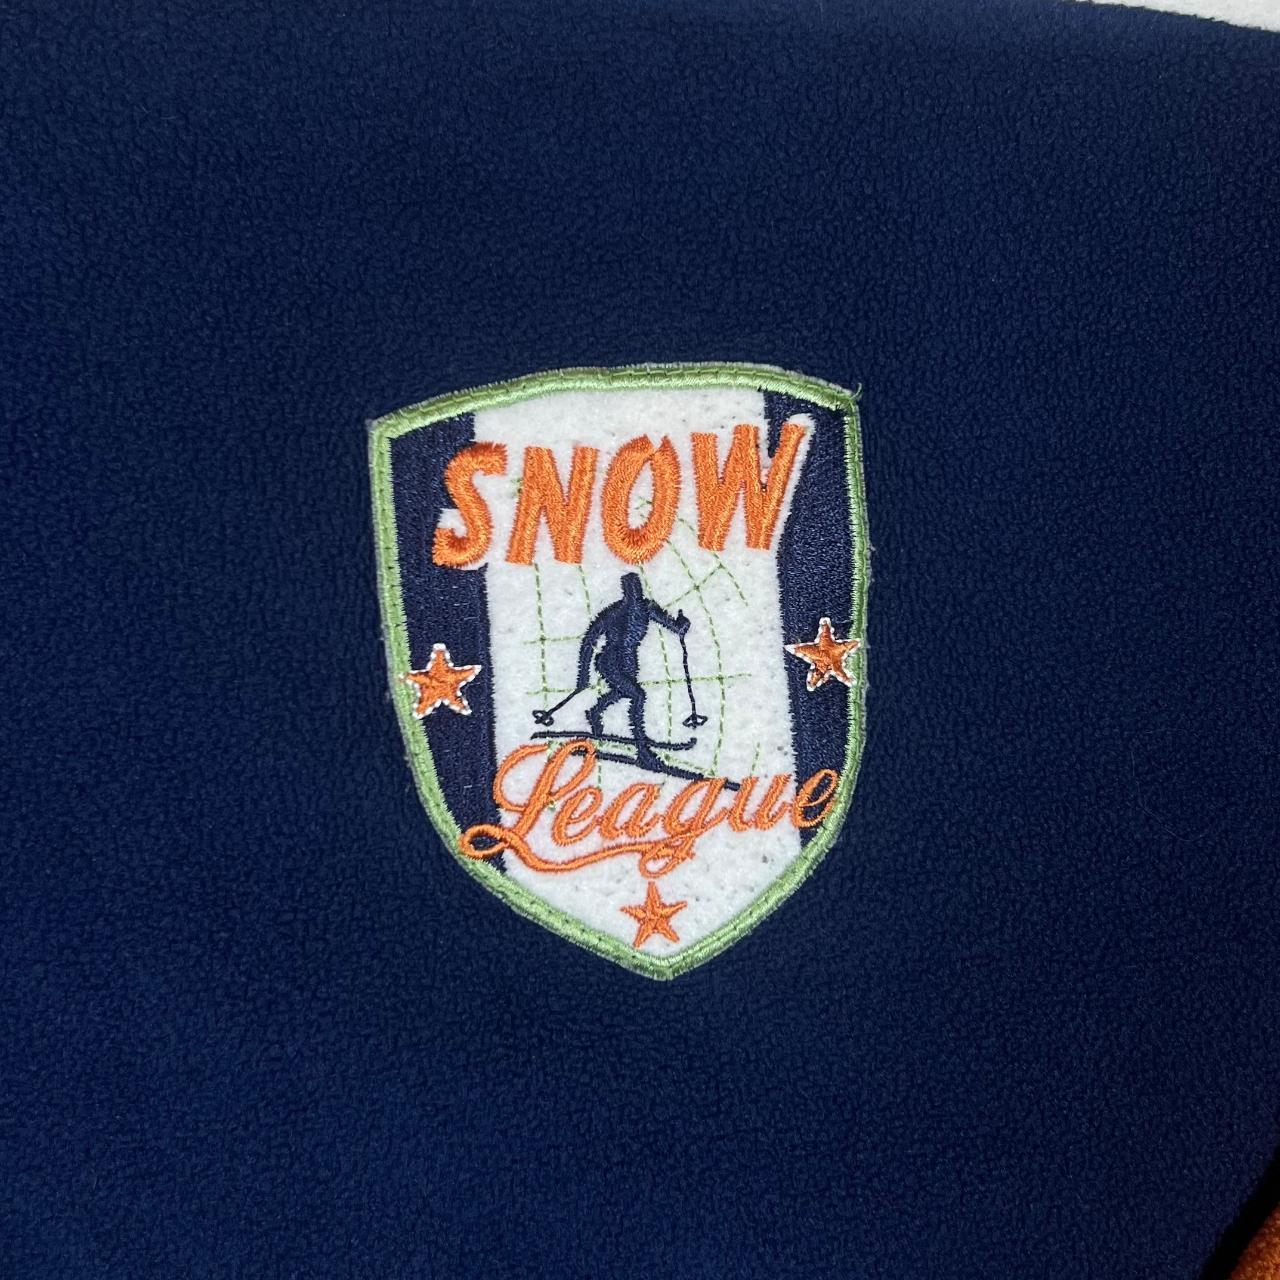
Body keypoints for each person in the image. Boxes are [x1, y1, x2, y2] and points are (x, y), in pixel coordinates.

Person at [570, 572, 690, 767]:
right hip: (611, 660)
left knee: (622, 692)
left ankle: (595, 712)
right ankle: (642, 751)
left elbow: (675, 627)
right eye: (630, 587)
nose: (634, 591)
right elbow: (590, 638)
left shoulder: (647, 608)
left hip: (630, 660)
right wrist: (582, 676)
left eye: (636, 586)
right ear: (625, 590)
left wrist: (683, 624)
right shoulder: (616, 612)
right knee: (638, 696)